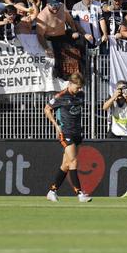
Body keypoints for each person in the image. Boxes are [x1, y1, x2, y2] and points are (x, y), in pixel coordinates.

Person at [44, 72, 92, 202]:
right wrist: (56, 125)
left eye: (81, 87)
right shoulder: (60, 96)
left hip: (76, 133)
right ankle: (80, 193)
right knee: (74, 161)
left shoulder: (81, 95)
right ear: (70, 84)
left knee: (65, 164)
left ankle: (52, 191)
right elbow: (47, 109)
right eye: (77, 87)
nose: (79, 89)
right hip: (65, 133)